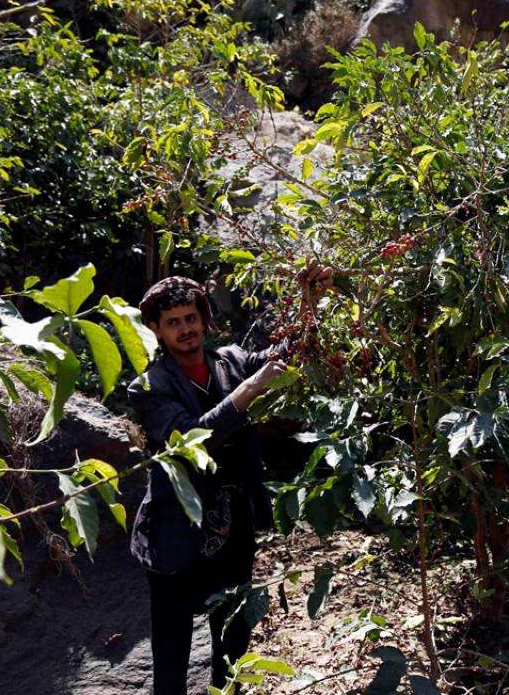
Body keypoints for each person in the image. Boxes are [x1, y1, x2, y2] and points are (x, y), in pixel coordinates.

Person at [128, 265, 330, 695]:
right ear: (156, 330)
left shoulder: (232, 361)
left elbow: (285, 357)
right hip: (175, 529)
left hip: (234, 525)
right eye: (173, 323)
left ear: (203, 318)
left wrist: (311, 302)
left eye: (190, 318)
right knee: (171, 650)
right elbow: (190, 439)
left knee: (232, 638)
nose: (185, 329)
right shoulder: (148, 386)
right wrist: (249, 391)